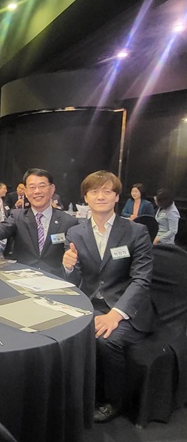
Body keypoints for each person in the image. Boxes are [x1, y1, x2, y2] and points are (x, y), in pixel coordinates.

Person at [62, 170, 153, 423]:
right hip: (90, 302)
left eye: (107, 191)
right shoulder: (75, 233)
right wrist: (68, 267)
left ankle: (114, 401)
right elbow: (74, 282)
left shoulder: (136, 231)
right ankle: (74, 393)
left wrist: (115, 315)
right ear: (85, 198)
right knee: (63, 329)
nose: (100, 196)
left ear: (116, 197)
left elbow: (142, 279)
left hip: (126, 307)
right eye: (94, 191)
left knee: (106, 340)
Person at [0, 168, 77, 277]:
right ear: (26, 192)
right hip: (22, 277)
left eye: (42, 186)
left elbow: (73, 261)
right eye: (32, 187)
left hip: (54, 279)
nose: (37, 191)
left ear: (52, 189)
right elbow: (5, 227)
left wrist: (69, 266)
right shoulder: (18, 216)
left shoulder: (68, 221)